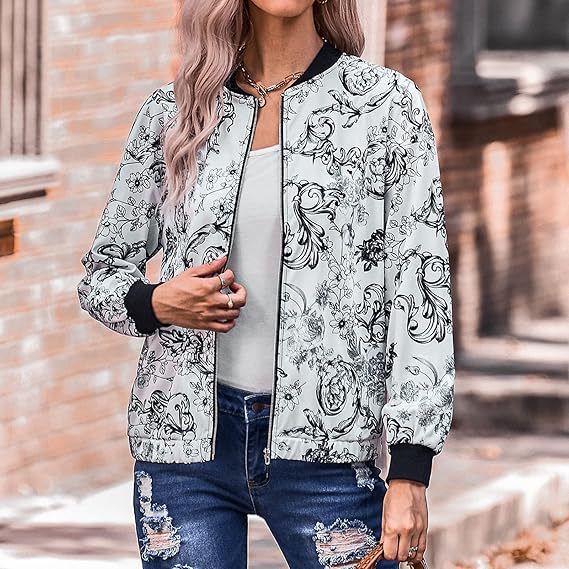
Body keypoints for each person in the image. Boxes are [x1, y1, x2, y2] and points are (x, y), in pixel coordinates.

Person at [76, 1, 455, 567]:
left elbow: (421, 293)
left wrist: (410, 471)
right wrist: (160, 302)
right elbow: (102, 274)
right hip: (185, 450)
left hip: (327, 452)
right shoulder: (173, 114)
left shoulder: (385, 106)